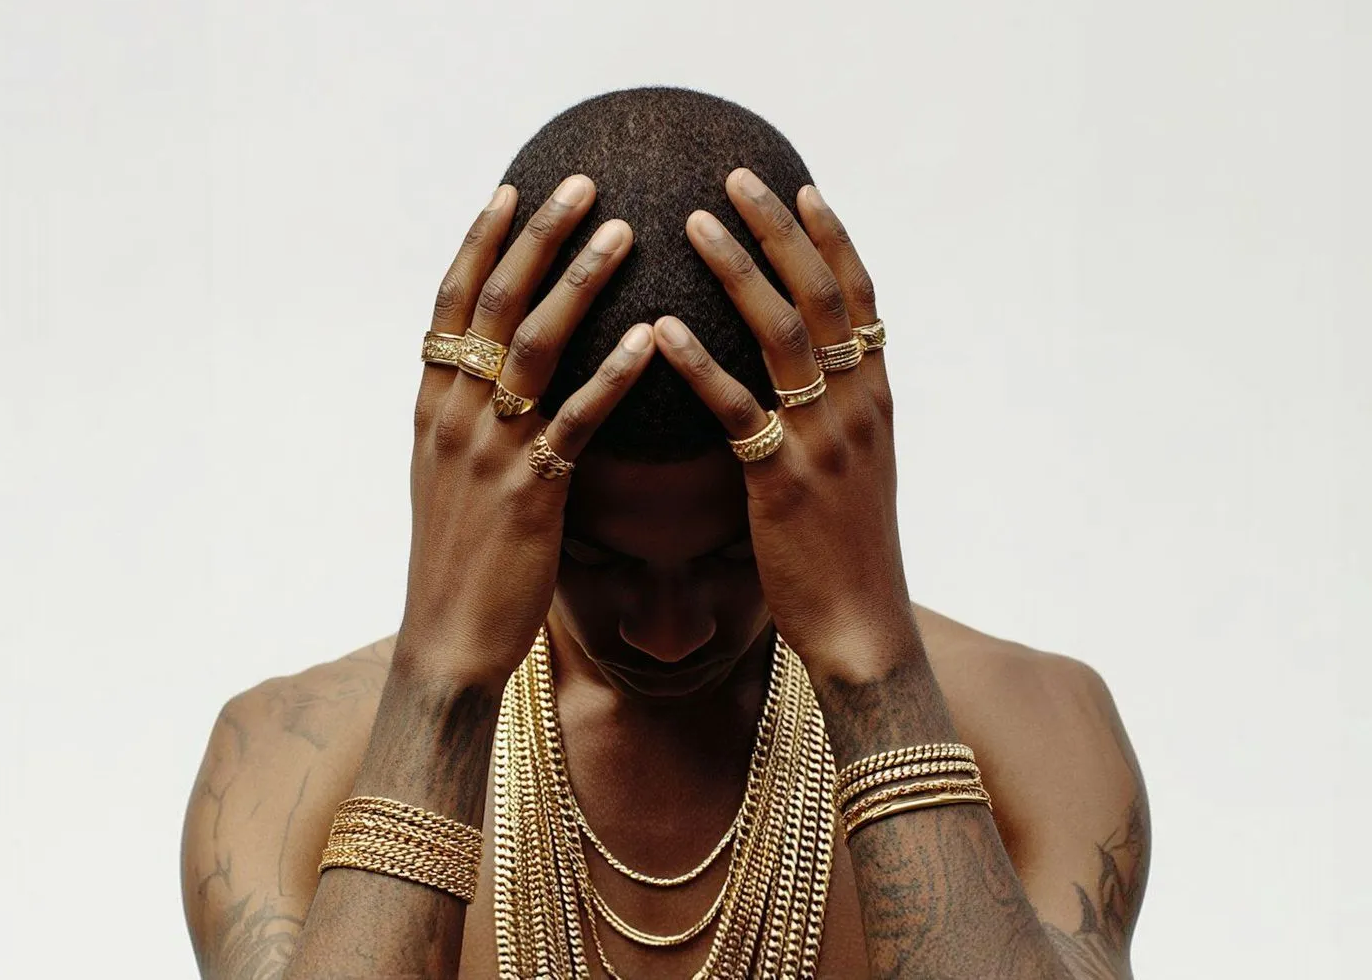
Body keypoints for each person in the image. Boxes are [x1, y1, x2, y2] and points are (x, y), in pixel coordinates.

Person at [180, 87, 1150, 979]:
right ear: (483, 493)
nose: (670, 633)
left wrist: (875, 672)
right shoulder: (286, 761)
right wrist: (440, 687)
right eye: (596, 559)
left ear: (838, 483)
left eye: (733, 555)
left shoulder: (1032, 731)